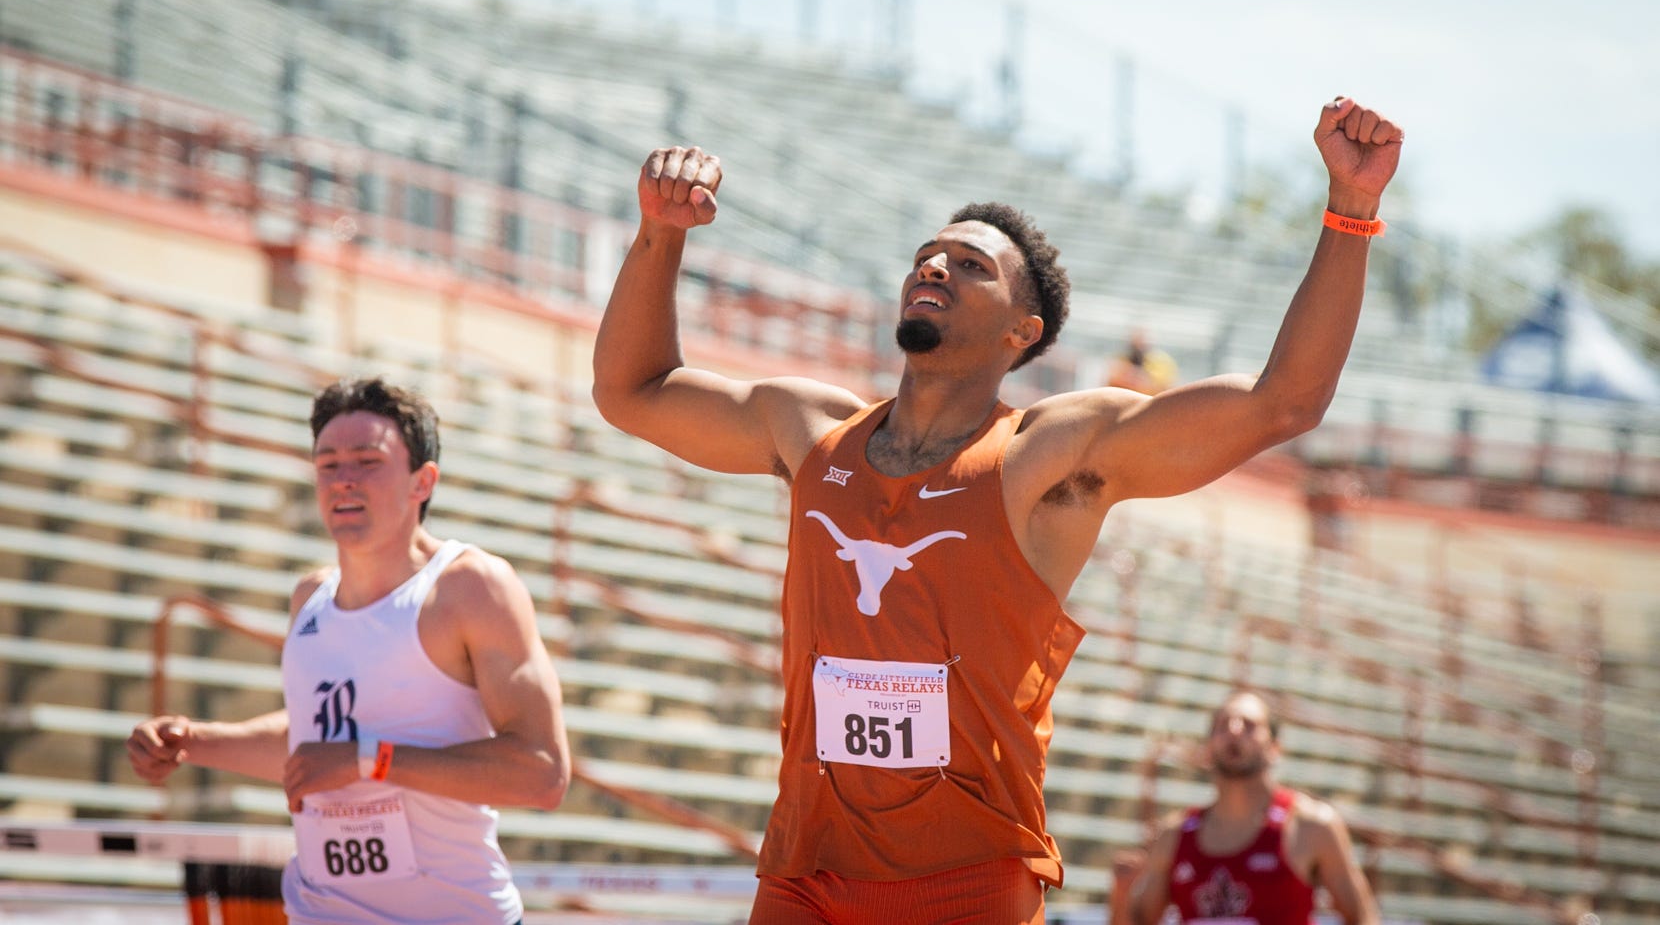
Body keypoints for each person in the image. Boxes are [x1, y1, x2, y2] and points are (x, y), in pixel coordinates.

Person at [591, 97, 1401, 925]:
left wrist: (1352, 208)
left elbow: (1284, 404)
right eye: (926, 256)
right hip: (806, 867)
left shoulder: (1050, 457)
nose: (934, 268)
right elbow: (631, 392)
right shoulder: (809, 431)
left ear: (1025, 330)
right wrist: (661, 234)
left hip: (970, 878)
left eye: (970, 265)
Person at [126, 377, 571, 925]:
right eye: (328, 465)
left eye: (367, 461)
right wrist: (192, 742)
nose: (344, 481)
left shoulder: (469, 586)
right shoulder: (309, 598)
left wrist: (370, 760)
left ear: (422, 482)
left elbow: (542, 773)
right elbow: (316, 747)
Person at [1114, 691, 1380, 925]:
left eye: (1250, 725)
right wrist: (1121, 894)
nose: (1234, 730)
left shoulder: (1313, 825)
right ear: (1207, 750)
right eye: (1222, 725)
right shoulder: (1175, 834)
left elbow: (1364, 918)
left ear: (1275, 748)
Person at [1105, 328, 1179, 395]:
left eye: (1143, 340)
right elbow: (1111, 383)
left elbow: (1167, 386)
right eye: (1137, 340)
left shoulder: (1161, 362)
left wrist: (1144, 381)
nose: (1139, 345)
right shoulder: (1121, 360)